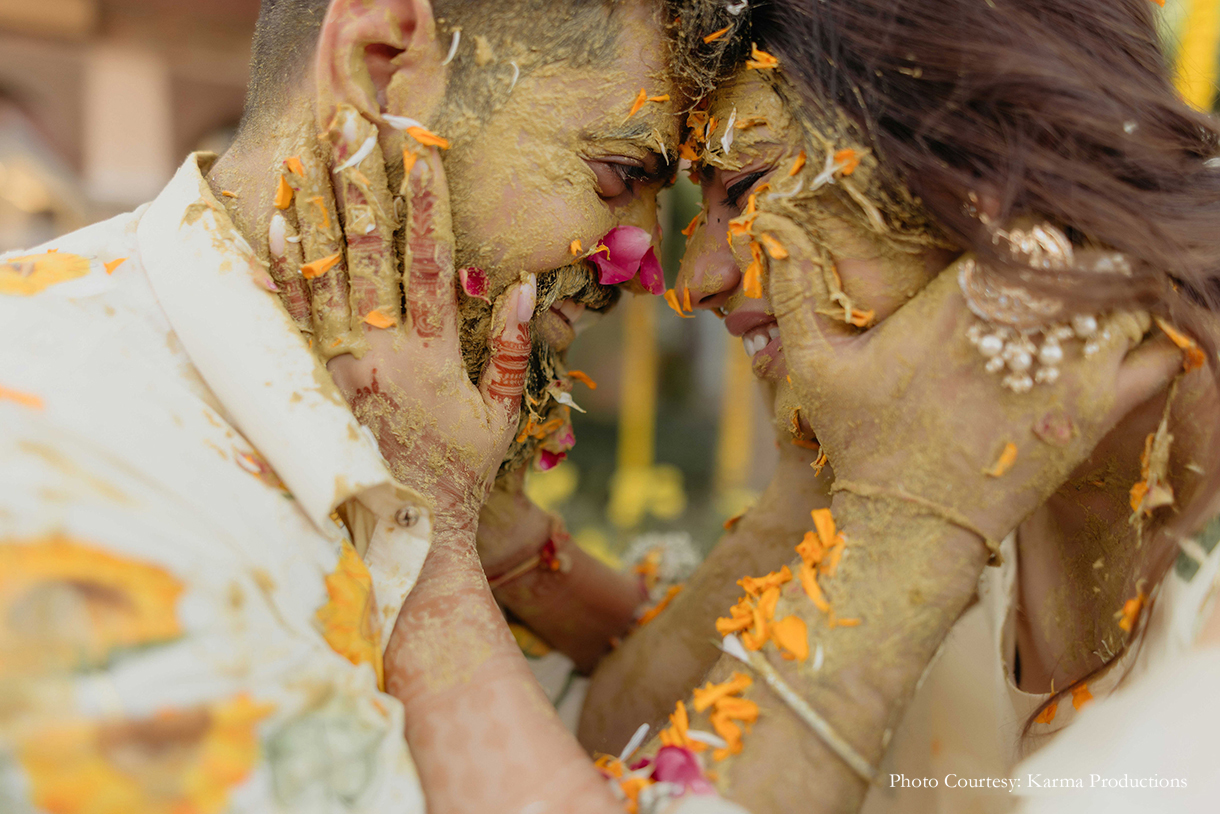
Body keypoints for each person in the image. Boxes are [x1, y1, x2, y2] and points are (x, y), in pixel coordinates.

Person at [0, 0, 682, 811]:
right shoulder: (67, 490)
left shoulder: (419, 424)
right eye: (620, 173)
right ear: (379, 64)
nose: (641, 268)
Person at [580, 0, 1219, 812]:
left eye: (744, 187)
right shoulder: (922, 429)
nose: (694, 280)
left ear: (995, 159)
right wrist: (819, 483)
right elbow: (612, 750)